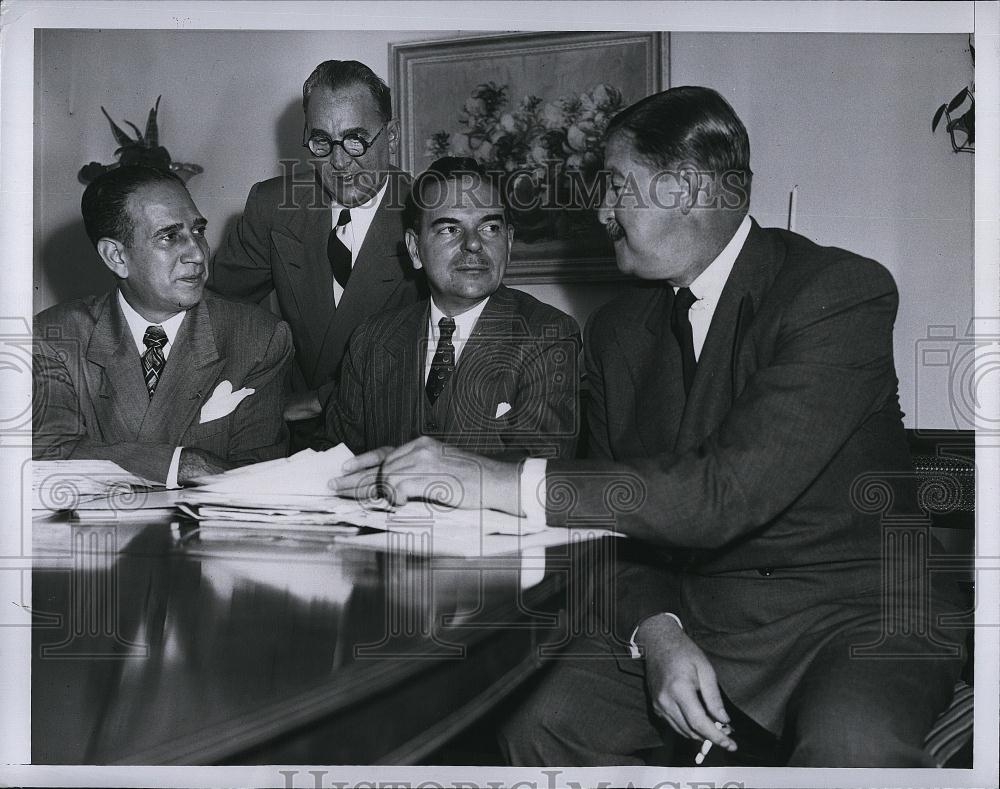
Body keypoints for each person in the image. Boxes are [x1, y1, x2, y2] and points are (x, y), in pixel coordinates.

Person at [335, 87, 967, 766]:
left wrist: (491, 478)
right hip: (697, 614)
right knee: (540, 722)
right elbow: (617, 538)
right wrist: (658, 631)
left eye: (614, 187)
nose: (600, 211)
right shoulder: (617, 331)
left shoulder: (837, 294)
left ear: (684, 190)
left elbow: (723, 493)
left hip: (855, 619)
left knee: (851, 750)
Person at [33, 165, 292, 485]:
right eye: (169, 236)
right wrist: (182, 464)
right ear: (116, 256)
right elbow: (47, 456)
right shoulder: (54, 338)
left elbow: (259, 480)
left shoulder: (258, 337)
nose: (197, 254)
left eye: (198, 230)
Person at [207, 60, 423, 445]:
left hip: (393, 435)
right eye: (322, 141)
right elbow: (216, 314)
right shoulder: (272, 205)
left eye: (356, 139)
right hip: (289, 440)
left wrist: (318, 401)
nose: (339, 163)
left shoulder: (428, 214)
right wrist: (262, 393)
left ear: (391, 137)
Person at [323, 156, 579, 460]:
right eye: (449, 229)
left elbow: (538, 477)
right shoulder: (371, 341)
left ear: (509, 243)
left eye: (490, 228)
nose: (473, 244)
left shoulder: (548, 335)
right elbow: (336, 467)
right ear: (415, 249)